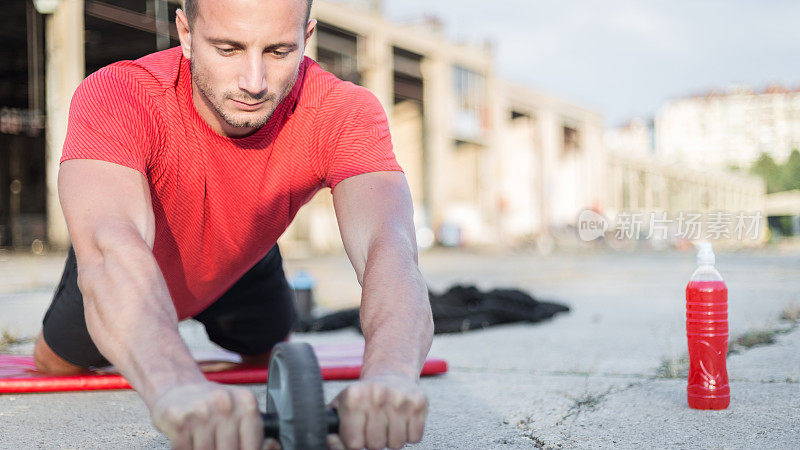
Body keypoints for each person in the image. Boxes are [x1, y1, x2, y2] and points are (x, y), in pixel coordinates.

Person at [31, 0, 434, 448]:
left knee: (268, 350)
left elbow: (391, 248)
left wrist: (392, 378)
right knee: (54, 362)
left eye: (279, 51)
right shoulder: (119, 93)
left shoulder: (344, 111)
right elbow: (109, 251)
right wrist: (177, 385)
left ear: (307, 37)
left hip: (244, 260)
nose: (254, 82)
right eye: (228, 48)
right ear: (185, 33)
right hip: (134, 262)